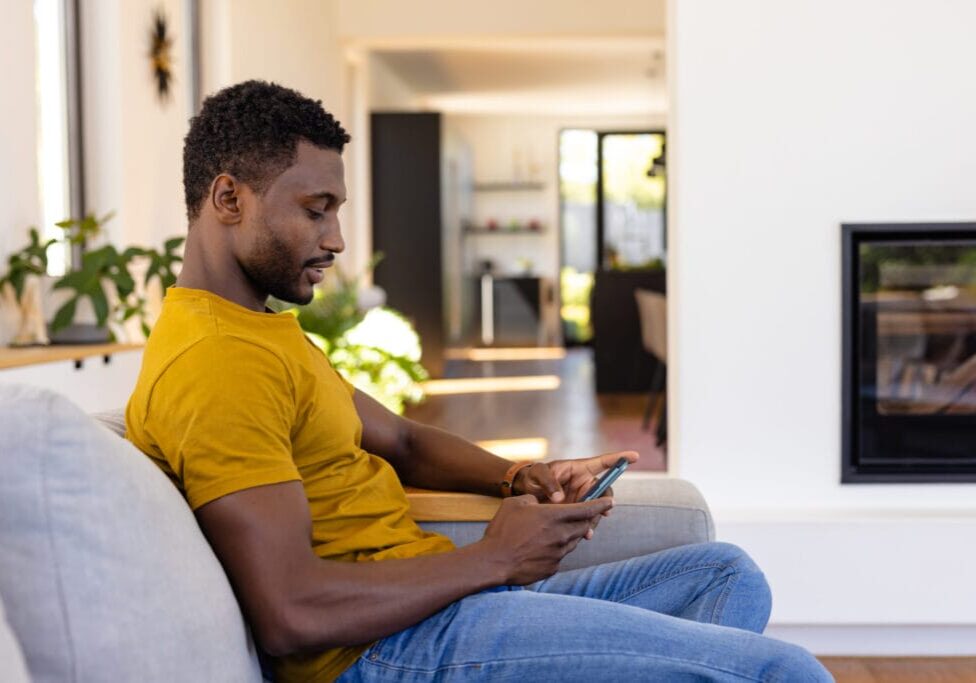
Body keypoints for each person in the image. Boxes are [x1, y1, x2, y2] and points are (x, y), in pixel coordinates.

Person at [125, 80, 832, 683]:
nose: (337, 237)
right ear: (227, 199)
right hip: (381, 652)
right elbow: (289, 612)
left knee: (724, 575)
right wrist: (496, 558)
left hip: (434, 606)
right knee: (782, 671)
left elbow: (399, 434)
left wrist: (521, 476)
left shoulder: (260, 329)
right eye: (317, 209)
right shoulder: (213, 364)